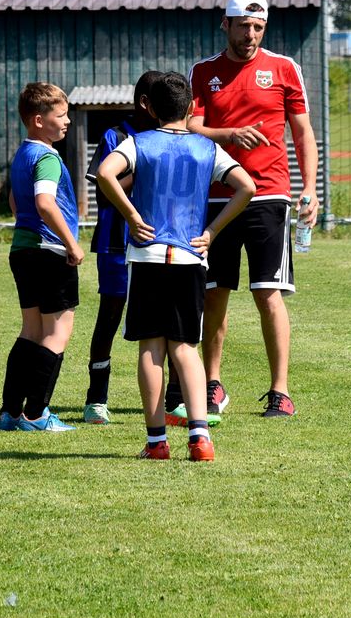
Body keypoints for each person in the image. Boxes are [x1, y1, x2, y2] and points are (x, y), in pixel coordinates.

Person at [95, 72, 255, 460]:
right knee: (185, 347)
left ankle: (156, 443)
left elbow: (104, 173)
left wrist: (132, 215)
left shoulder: (139, 142)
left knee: (151, 347)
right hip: (189, 257)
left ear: (150, 108)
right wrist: (212, 231)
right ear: (193, 107)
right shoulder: (207, 147)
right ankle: (200, 438)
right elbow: (247, 187)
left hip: (148, 256)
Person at [181, 0, 318, 421]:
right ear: (226, 25)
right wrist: (229, 135)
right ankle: (212, 385)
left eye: (258, 27)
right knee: (214, 293)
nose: (251, 35)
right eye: (243, 26)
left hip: (269, 194)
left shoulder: (284, 68)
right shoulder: (203, 71)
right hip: (216, 195)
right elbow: (190, 125)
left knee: (268, 293)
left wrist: (310, 189)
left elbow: (302, 132)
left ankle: (280, 391)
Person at [0, 82, 84, 433]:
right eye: (60, 116)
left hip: (23, 250)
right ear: (38, 120)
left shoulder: (23, 154)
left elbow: (16, 203)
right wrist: (71, 244)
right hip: (50, 251)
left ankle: (10, 413)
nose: (67, 122)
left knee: (30, 331)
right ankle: (36, 414)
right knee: (57, 332)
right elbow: (44, 203)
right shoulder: (47, 157)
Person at [79, 71, 164, 425]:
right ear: (145, 103)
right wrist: (144, 167)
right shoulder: (114, 136)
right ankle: (96, 399)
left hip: (159, 241)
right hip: (116, 241)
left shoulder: (169, 136)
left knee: (165, 320)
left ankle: (174, 398)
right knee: (110, 316)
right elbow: (103, 190)